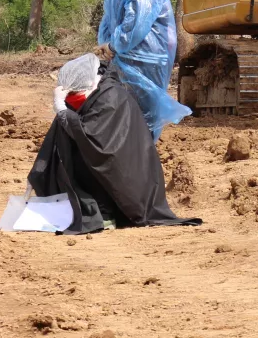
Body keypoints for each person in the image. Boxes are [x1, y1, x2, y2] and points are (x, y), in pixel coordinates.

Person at [28, 53, 200, 235]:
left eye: (74, 94)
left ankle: (105, 213)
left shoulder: (111, 98)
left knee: (85, 158)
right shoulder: (92, 94)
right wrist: (40, 170)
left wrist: (61, 108)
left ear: (89, 83)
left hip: (127, 178)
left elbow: (92, 140)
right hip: (111, 166)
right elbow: (59, 134)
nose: (71, 99)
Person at [96, 0, 191, 140]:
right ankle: (140, 165)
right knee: (145, 121)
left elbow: (106, 23)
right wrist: (114, 45)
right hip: (147, 64)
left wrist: (106, 46)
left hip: (121, 62)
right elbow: (134, 27)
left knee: (124, 116)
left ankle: (128, 161)